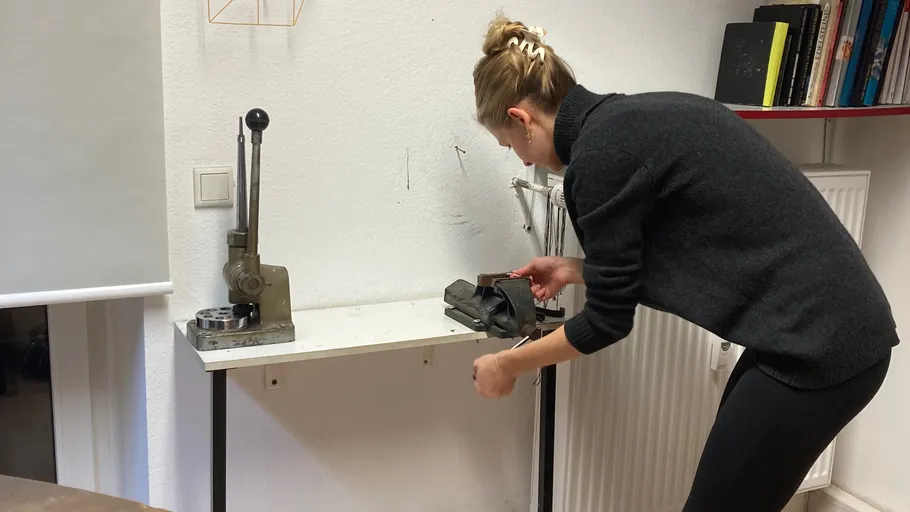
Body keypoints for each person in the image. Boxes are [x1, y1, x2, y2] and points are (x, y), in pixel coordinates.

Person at [469, 14, 899, 512]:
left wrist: (507, 364)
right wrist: (579, 268)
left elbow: (606, 323)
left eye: (510, 145)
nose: (523, 161)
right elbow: (691, 247)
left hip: (823, 347)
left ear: (522, 119)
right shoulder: (636, 119)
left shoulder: (599, 159)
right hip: (810, 332)